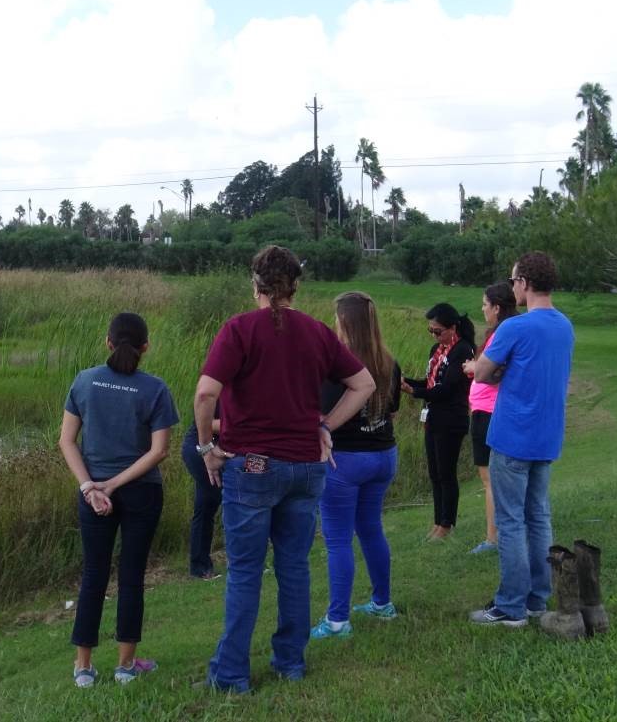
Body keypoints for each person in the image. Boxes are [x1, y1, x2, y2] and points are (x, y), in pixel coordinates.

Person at [195, 245, 375, 693]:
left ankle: (232, 675)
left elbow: (204, 396)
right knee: (294, 567)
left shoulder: (239, 329)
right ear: (296, 286)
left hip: (251, 466)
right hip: (305, 468)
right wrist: (324, 425)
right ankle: (289, 663)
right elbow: (364, 384)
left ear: (255, 284)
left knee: (245, 571)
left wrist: (206, 449)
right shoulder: (316, 332)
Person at [58, 312, 179, 687]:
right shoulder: (155, 388)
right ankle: (126, 666)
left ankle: (83, 667)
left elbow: (66, 441)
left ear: (107, 342)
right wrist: (113, 485)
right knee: (131, 576)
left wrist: (91, 487)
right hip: (141, 492)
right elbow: (159, 452)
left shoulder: (84, 381)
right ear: (146, 347)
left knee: (93, 575)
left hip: (93, 492)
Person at [466, 252, 575, 627]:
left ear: (524, 283)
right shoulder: (565, 326)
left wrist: (498, 371)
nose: (512, 288)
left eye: (513, 281)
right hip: (547, 436)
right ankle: (536, 599)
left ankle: (510, 606)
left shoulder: (514, 328)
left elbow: (481, 372)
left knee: (511, 522)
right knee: (539, 516)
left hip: (512, 437)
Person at [311, 292, 403, 640]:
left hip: (344, 459)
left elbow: (321, 412)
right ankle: (382, 603)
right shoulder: (388, 361)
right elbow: (392, 408)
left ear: (345, 322)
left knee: (337, 540)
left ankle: (337, 620)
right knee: (371, 528)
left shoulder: (337, 365)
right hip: (382, 453)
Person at [401, 303, 476, 541]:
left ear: (453, 327)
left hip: (451, 418)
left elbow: (447, 389)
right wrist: (406, 383)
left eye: (438, 331)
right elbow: (429, 383)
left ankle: (447, 523)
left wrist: (414, 393)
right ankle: (437, 521)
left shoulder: (462, 350)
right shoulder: (437, 350)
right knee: (434, 473)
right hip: (433, 417)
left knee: (446, 472)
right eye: (430, 331)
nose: (434, 336)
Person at [464, 282, 520, 555]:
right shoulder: (501, 332)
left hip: (489, 412)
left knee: (489, 480)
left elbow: (496, 370)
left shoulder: (502, 335)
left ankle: (493, 539)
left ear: (497, 308)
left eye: (485, 304)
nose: (483, 309)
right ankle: (500, 535)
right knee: (494, 478)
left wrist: (474, 367)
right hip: (485, 410)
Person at [180, 405, 222, 579]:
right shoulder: (220, 387)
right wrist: (243, 424)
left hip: (223, 447)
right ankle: (200, 566)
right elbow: (205, 423)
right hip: (200, 447)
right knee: (211, 499)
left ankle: (200, 566)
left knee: (207, 502)